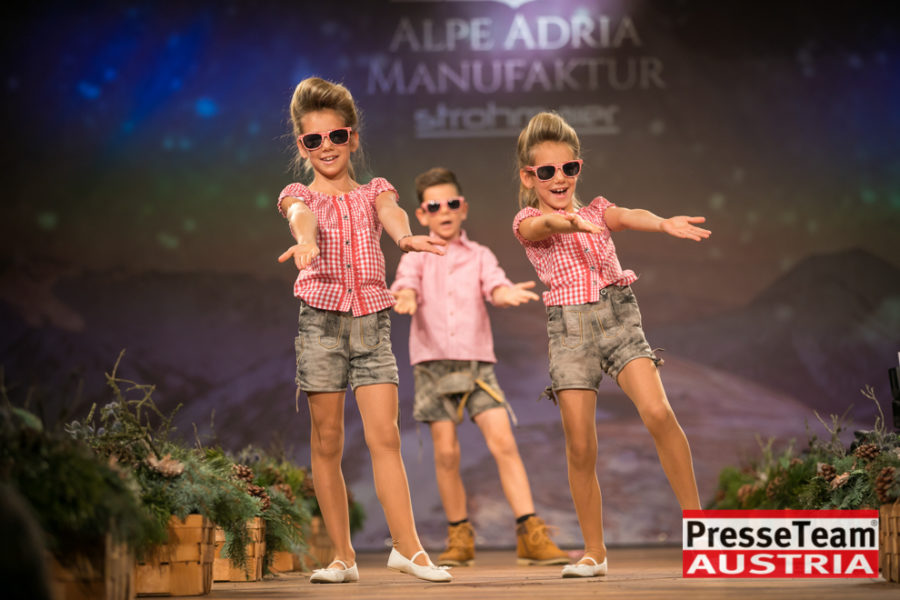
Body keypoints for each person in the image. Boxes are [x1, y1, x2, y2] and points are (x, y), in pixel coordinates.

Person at [511, 112, 709, 578]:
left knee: (658, 412)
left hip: (618, 319)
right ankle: (594, 552)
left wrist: (662, 223)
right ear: (529, 177)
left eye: (569, 168)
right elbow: (542, 228)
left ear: (578, 168)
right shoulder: (527, 219)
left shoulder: (597, 210)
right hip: (570, 333)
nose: (559, 179)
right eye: (547, 171)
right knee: (581, 446)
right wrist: (567, 223)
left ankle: (701, 533)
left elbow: (628, 215)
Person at [276, 77, 452, 583]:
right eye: (314, 140)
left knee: (385, 436)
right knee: (327, 440)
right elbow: (300, 214)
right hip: (321, 325)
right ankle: (342, 557)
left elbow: (391, 212)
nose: (326, 147)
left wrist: (405, 238)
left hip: (371, 323)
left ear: (352, 138)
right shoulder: (297, 194)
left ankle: (408, 549)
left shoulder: (375, 190)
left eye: (336, 136)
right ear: (302, 146)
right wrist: (306, 241)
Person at [390, 167, 570, 568]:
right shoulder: (416, 255)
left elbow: (495, 284)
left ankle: (530, 531)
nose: (444, 211)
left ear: (463, 208)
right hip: (433, 366)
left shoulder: (480, 255)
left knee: (503, 442)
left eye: (451, 203)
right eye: (434, 206)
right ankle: (459, 535)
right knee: (446, 453)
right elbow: (406, 283)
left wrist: (505, 293)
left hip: (477, 366)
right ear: (421, 215)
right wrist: (405, 296)